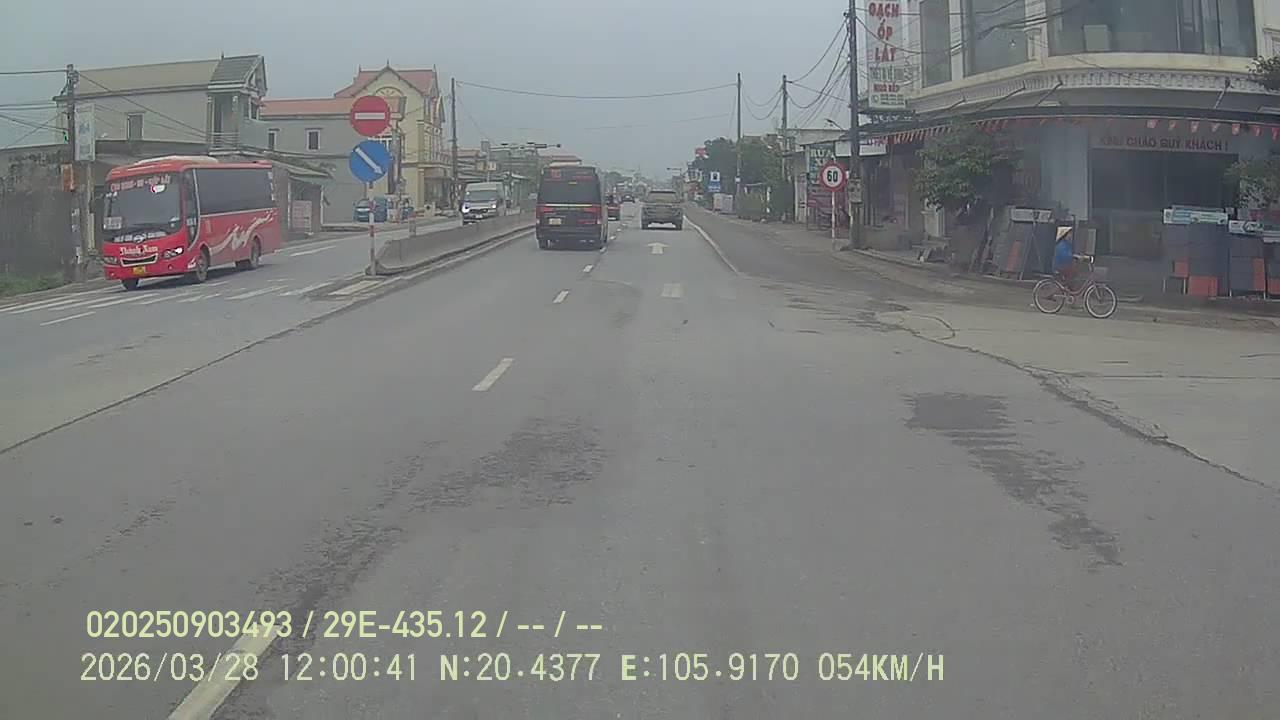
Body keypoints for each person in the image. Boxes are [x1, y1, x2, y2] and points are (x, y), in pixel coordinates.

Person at [1052, 226, 1077, 290]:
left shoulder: (1067, 244)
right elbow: (1065, 255)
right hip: (1060, 266)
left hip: (1064, 265)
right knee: (1072, 271)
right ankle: (1069, 288)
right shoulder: (1061, 244)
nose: (1071, 236)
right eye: (1069, 234)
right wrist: (1074, 256)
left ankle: (1068, 287)